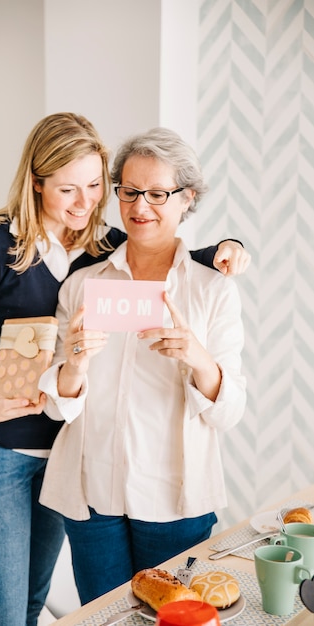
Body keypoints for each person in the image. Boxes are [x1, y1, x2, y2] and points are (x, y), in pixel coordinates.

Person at [0, 112, 248, 625]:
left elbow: (160, 238)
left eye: (96, 186)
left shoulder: (96, 244)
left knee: (33, 601)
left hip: (58, 451)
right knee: (6, 612)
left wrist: (226, 250)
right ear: (37, 183)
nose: (86, 202)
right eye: (68, 189)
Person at [38, 126, 247, 605]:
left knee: (176, 617)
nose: (139, 207)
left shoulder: (212, 289)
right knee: (103, 615)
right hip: (91, 493)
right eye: (129, 192)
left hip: (175, 496)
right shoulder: (82, 284)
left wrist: (197, 357)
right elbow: (55, 410)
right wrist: (75, 363)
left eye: (157, 193)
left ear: (186, 198)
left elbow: (228, 412)